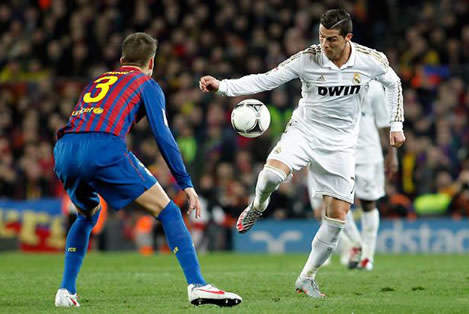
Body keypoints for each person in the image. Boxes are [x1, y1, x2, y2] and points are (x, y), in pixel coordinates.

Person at [200, 9, 405, 298]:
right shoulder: (307, 58)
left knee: (337, 218)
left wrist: (396, 125)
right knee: (271, 173)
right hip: (305, 132)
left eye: (332, 39)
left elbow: (394, 83)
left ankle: (306, 278)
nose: (325, 44)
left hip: (341, 145)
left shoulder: (371, 60)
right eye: (321, 37)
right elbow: (265, 80)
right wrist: (223, 87)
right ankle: (257, 205)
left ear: (348, 38)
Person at [53, 32, 242, 308]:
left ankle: (65, 291)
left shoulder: (99, 80)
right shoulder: (147, 84)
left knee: (87, 214)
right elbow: (162, 136)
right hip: (103, 147)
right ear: (151, 62)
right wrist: (185, 182)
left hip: (65, 148)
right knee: (169, 211)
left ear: (121, 60)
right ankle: (198, 285)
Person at [308, 80, 399, 271]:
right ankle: (357, 243)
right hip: (339, 151)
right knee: (333, 202)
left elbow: (384, 122)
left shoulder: (374, 86)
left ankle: (367, 257)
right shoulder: (330, 81)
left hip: (368, 153)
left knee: (368, 202)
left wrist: (392, 154)